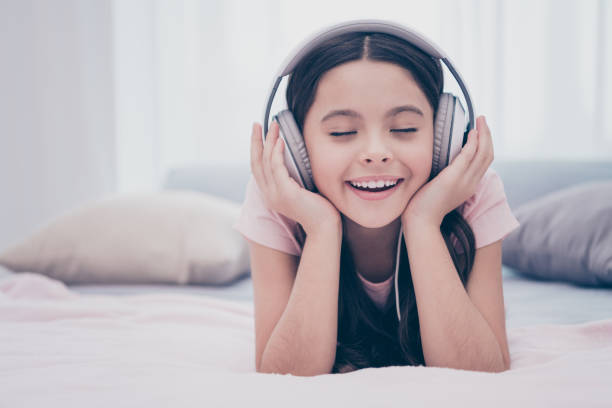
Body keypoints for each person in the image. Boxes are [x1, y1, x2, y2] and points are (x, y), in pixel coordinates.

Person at [233, 27, 520, 376]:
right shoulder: (277, 200)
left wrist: (424, 221)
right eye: (341, 132)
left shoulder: (474, 192)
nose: (375, 153)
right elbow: (284, 377)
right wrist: (321, 228)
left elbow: (481, 373)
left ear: (443, 135)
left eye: (403, 129)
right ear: (297, 148)